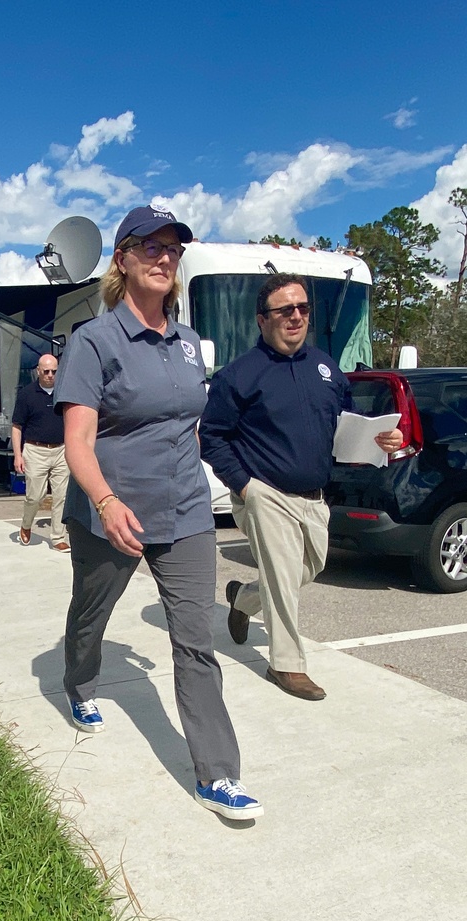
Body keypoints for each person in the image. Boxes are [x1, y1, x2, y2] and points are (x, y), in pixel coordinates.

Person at [55, 205, 261, 821]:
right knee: (92, 614)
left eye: (172, 248)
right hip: (111, 513)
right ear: (122, 260)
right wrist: (108, 501)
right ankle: (78, 680)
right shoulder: (95, 342)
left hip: (187, 512)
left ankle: (217, 775)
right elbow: (78, 444)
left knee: (196, 641)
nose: (164, 258)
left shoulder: (191, 344)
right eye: (150, 247)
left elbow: (190, 426)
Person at [199, 273, 403, 701]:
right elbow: (212, 435)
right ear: (262, 319)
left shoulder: (327, 369)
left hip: (315, 498)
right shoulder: (239, 376)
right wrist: (243, 487)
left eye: (303, 308)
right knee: (282, 574)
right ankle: (286, 665)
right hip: (264, 494)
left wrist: (383, 440)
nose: (296, 316)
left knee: (306, 569)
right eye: (285, 309)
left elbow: (348, 429)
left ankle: (243, 600)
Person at [12, 354, 69, 551]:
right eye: (46, 371)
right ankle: (26, 525)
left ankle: (58, 537)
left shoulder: (64, 392)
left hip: (61, 450)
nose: (50, 375)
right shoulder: (26, 394)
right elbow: (17, 426)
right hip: (35, 450)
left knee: (61, 495)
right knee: (36, 496)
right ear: (38, 371)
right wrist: (18, 455)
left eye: (54, 371)